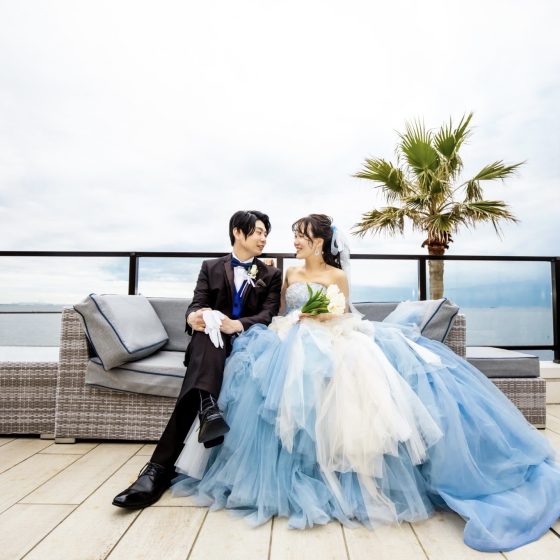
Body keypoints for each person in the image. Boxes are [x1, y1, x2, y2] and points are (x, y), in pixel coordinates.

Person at [171, 213, 560, 552]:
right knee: (268, 382)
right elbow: (282, 312)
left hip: (332, 335)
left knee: (347, 378)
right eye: (294, 236)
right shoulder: (288, 273)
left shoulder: (337, 275)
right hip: (293, 336)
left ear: (318, 242)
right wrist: (296, 320)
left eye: (300, 236)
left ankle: (340, 473)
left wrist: (322, 316)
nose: (294, 242)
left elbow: (342, 312)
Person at [112, 210, 282, 509]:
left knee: (201, 367)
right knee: (205, 336)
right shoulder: (210, 267)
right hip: (209, 345)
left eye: (265, 233)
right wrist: (193, 317)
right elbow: (198, 302)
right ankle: (208, 411)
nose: (263, 238)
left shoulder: (271, 274)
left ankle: (158, 469)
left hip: (249, 343)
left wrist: (236, 324)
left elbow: (268, 314)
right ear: (237, 232)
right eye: (258, 231)